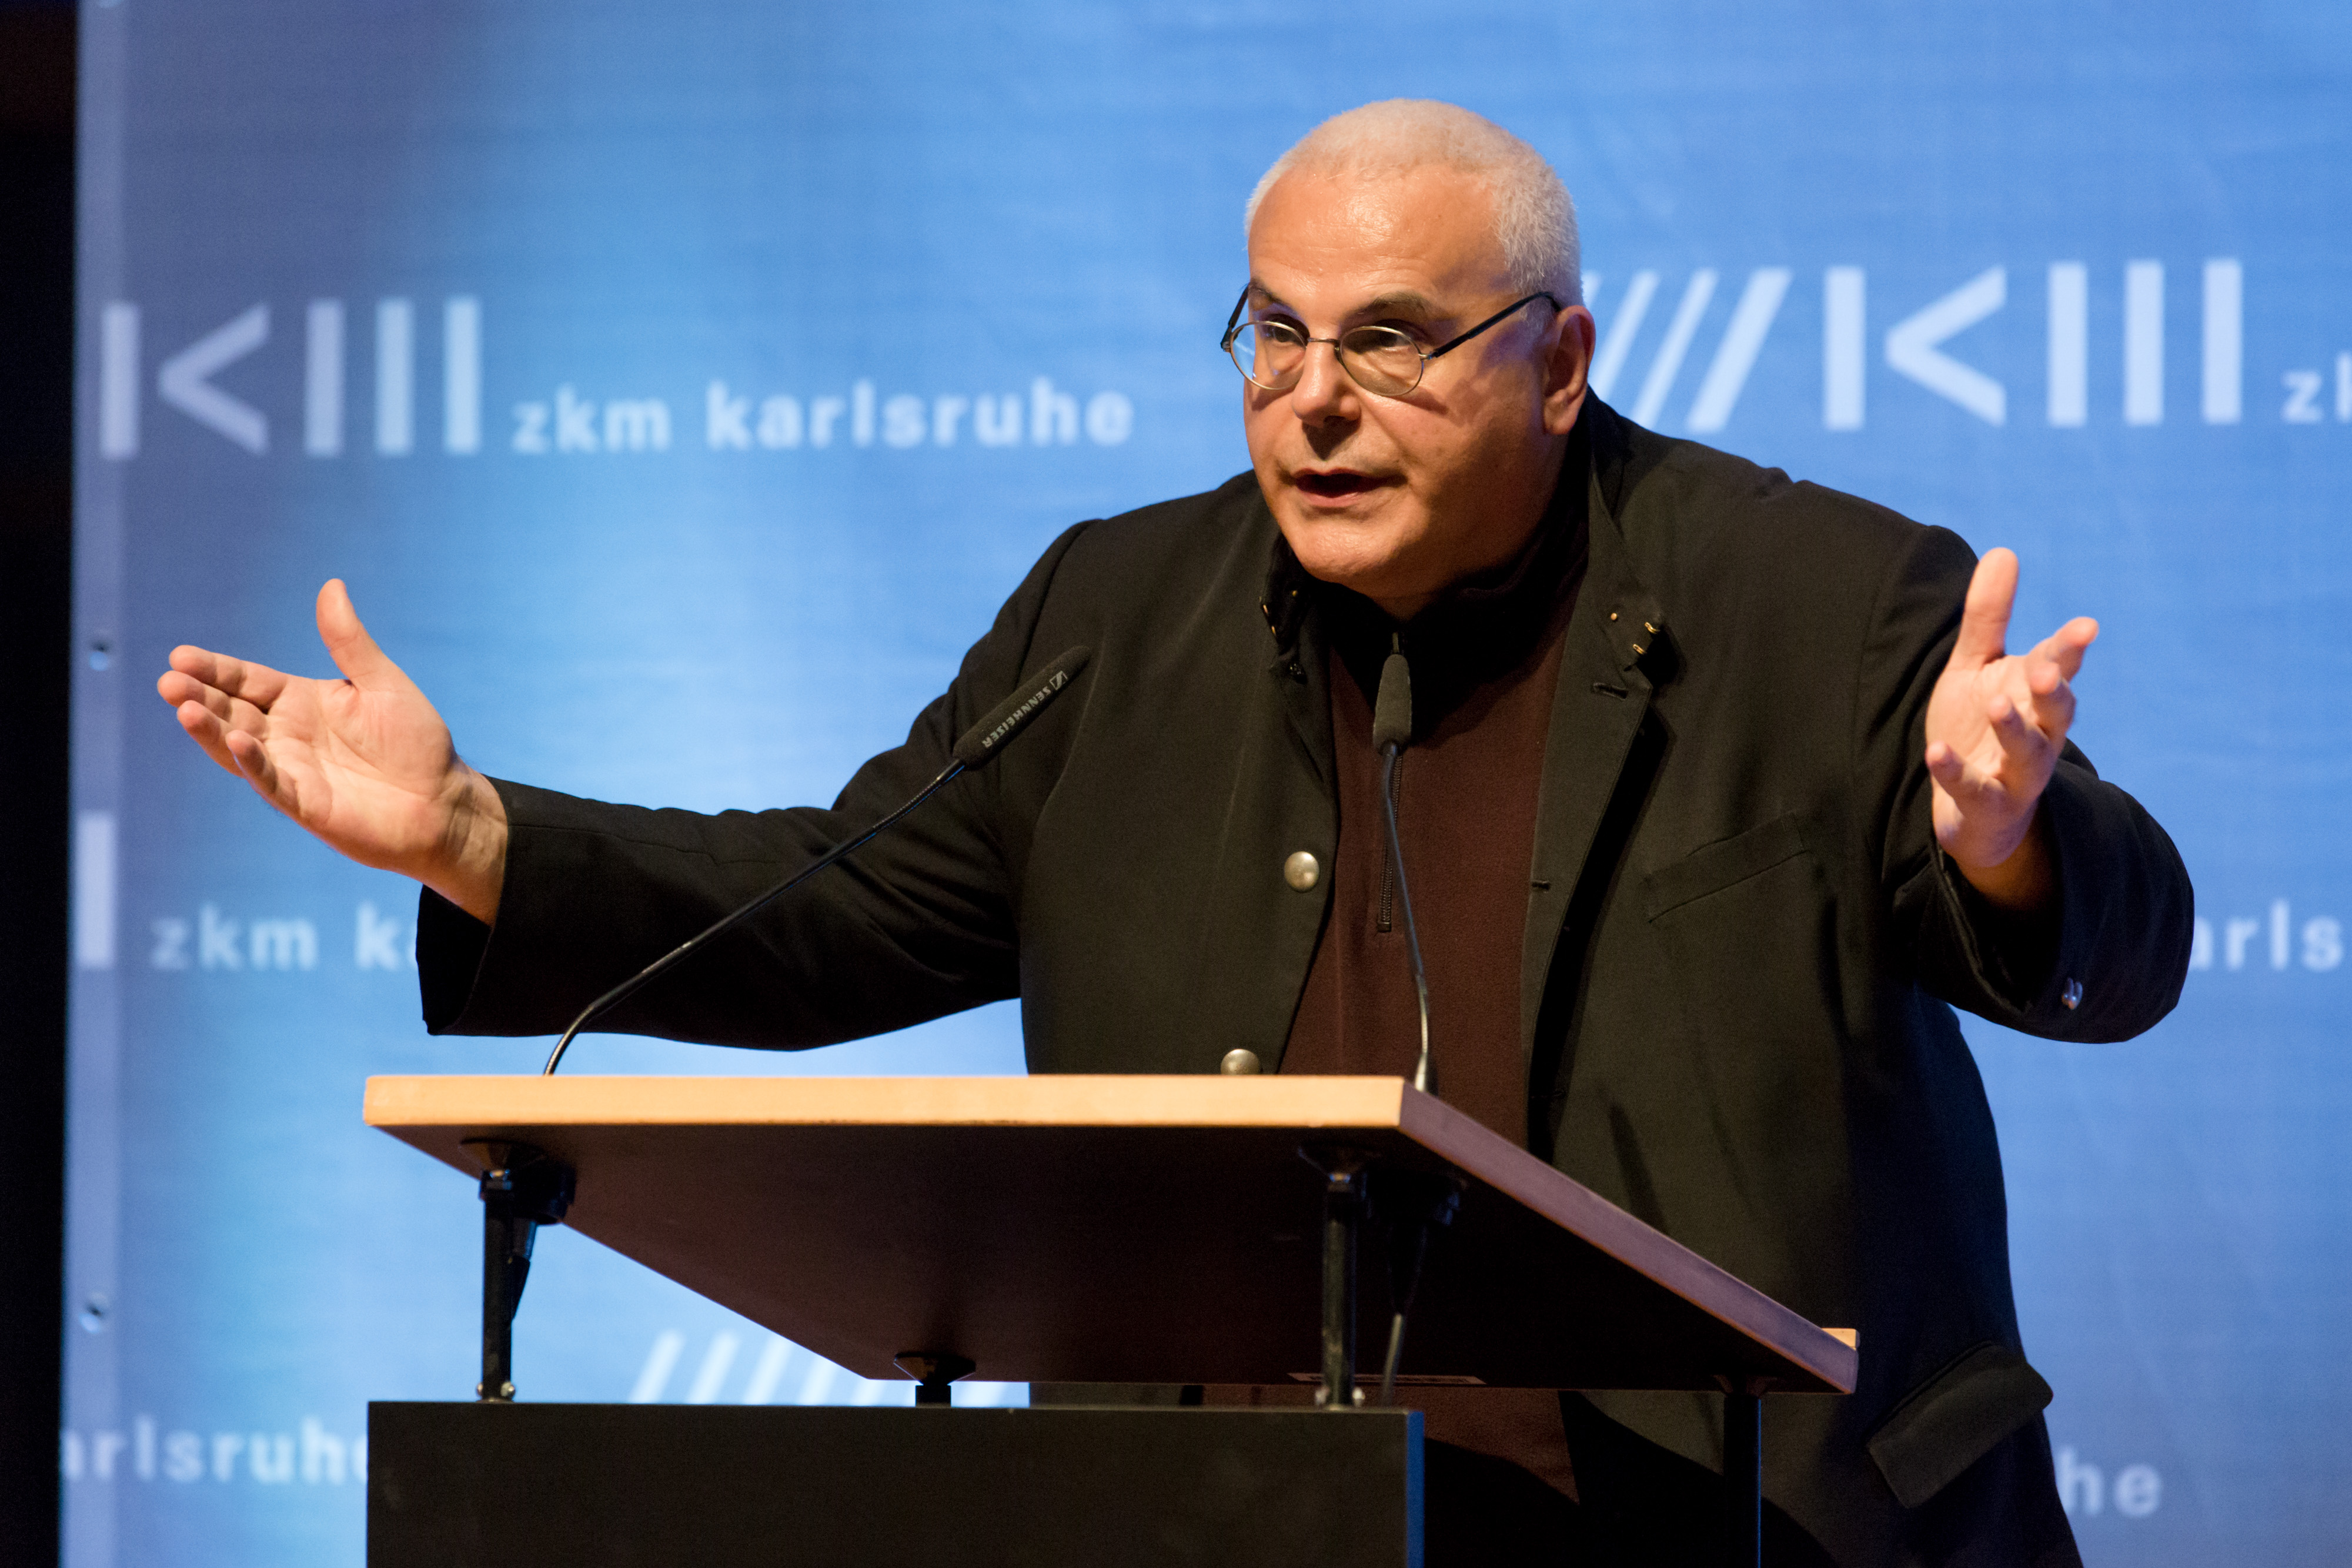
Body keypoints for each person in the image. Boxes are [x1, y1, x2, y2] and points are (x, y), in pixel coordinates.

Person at [158, 101, 2191, 1565]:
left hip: (1737, 1519)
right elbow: (840, 905)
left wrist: (2005, 835)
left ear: (1561, 363)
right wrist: (476, 831)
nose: (1312, 400)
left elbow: (2125, 939)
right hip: (1232, 1521)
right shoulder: (1118, 618)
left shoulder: (1809, 597)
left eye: (1390, 341)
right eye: (1274, 333)